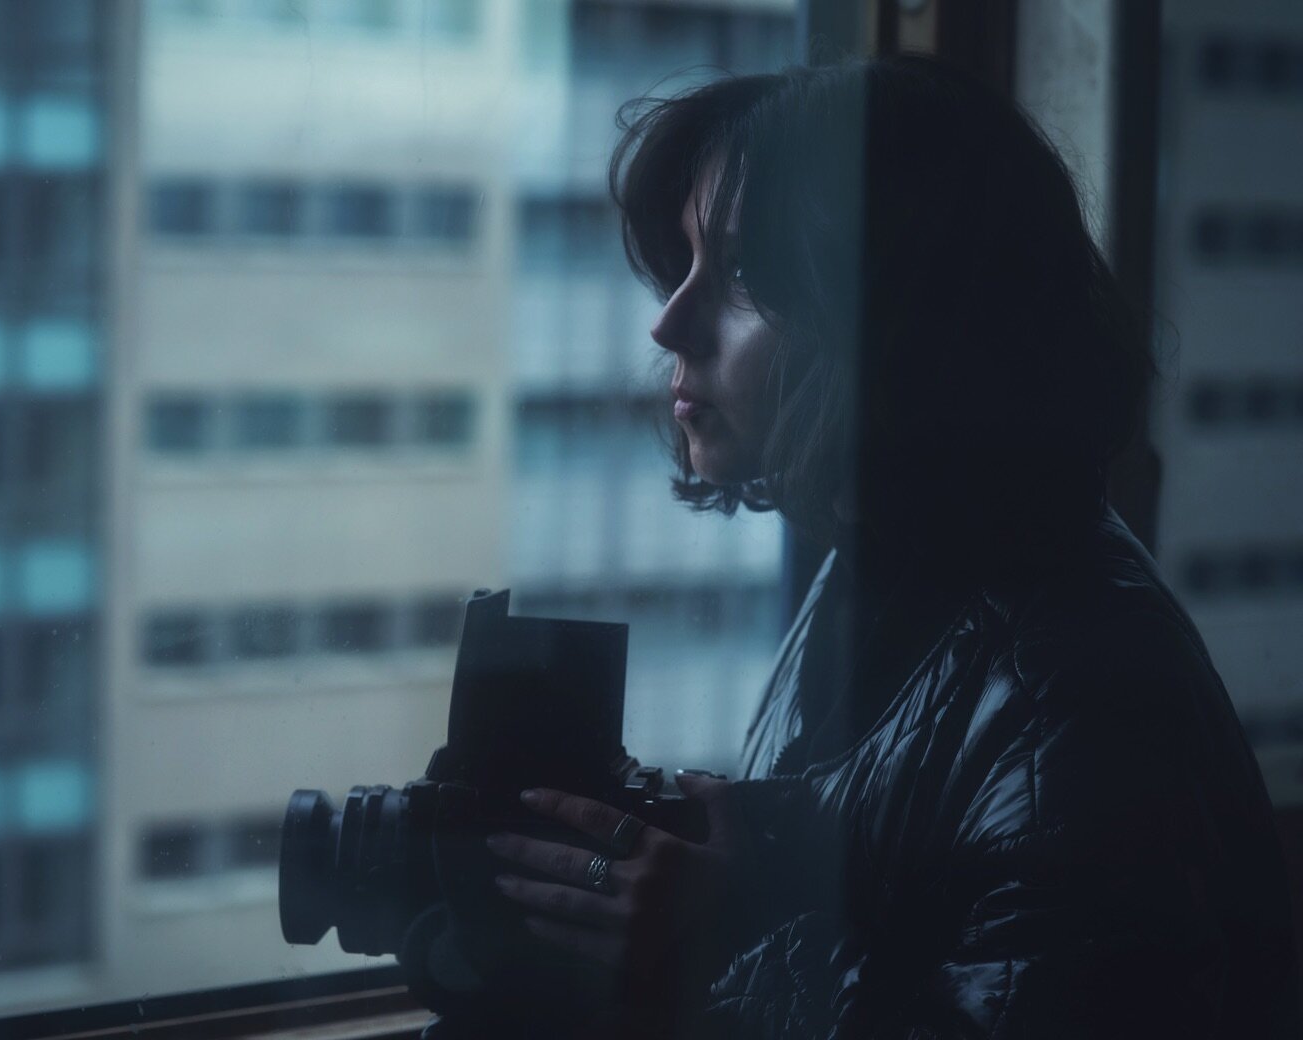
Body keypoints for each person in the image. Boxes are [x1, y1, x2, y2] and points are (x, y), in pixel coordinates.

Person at [485, 55, 1302, 1038]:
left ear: (894, 321)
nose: (668, 322)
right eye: (687, 263)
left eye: (742, 274)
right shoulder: (877, 560)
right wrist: (742, 856)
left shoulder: (1078, 692)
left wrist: (721, 949)